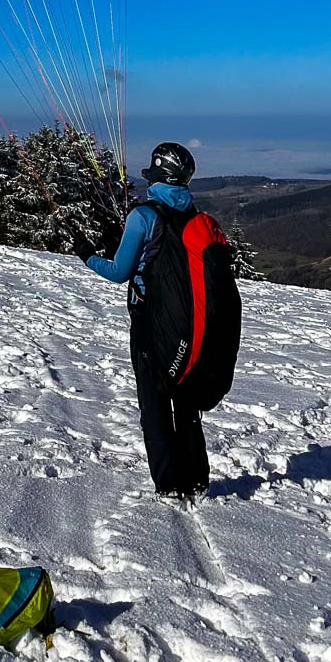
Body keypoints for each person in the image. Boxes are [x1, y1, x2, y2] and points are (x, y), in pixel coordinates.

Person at [77, 142, 210, 499]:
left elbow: (119, 272)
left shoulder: (142, 216)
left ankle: (168, 484)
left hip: (150, 325)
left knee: (154, 404)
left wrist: (87, 255)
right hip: (186, 323)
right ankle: (197, 477)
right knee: (184, 401)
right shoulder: (192, 212)